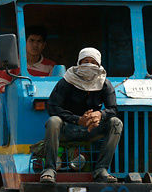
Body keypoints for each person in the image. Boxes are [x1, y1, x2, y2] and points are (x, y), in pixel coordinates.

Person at [42, 47, 122, 184]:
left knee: (116, 123)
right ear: (79, 63)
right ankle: (50, 169)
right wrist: (78, 120)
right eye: (85, 61)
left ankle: (101, 169)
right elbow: (52, 106)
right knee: (53, 121)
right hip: (68, 127)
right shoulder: (67, 81)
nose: (89, 65)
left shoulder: (104, 83)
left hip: (92, 129)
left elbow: (113, 109)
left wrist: (99, 115)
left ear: (99, 64)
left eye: (93, 62)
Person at [0, 26, 57, 93]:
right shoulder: (13, 62)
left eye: (39, 41)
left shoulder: (51, 66)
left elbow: (54, 90)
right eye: (32, 40)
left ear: (44, 45)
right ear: (24, 43)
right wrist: (14, 91)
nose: (35, 45)